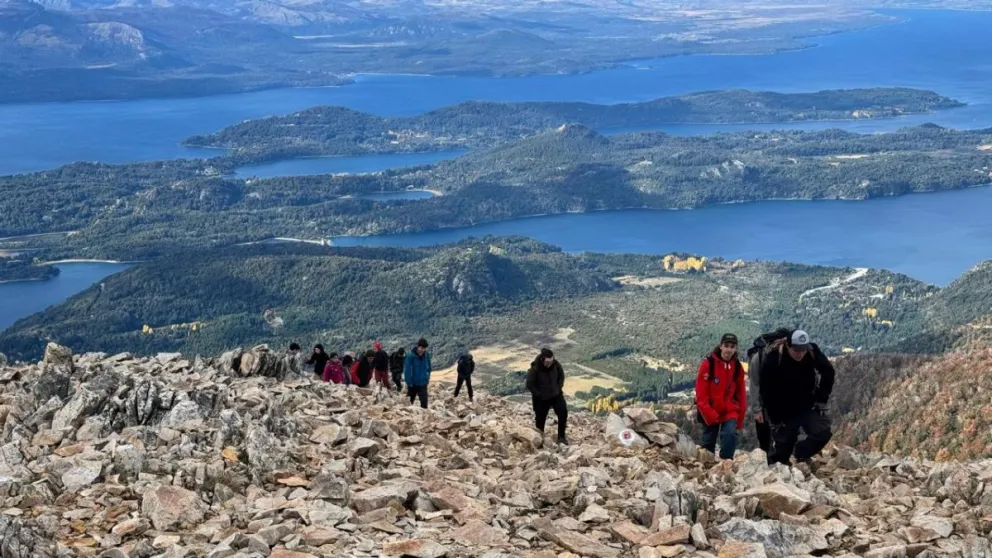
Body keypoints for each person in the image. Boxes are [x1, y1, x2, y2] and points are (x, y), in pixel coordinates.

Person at [759, 329, 835, 467]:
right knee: (781, 456)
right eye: (796, 350)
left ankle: (799, 455)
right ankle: (784, 462)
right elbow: (766, 390)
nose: (800, 354)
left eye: (803, 350)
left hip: (807, 405)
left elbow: (828, 371)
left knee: (822, 433)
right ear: (788, 345)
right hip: (784, 412)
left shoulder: (812, 351)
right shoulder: (774, 358)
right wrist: (774, 418)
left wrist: (821, 398)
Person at [694, 333, 746, 460]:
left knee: (730, 435)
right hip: (710, 410)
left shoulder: (737, 367)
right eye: (726, 345)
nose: (729, 349)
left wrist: (740, 418)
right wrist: (710, 415)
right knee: (708, 445)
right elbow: (701, 396)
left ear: (735, 349)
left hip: (729, 409)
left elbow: (741, 393)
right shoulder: (708, 364)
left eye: (732, 346)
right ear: (721, 346)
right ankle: (706, 469)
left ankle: (726, 464)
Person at [747, 328, 791, 453]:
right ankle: (767, 463)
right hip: (763, 405)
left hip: (781, 405)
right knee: (765, 440)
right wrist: (757, 410)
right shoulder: (759, 358)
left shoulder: (790, 357)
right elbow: (754, 384)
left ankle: (782, 461)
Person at [526, 348, 568, 445]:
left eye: (551, 361)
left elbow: (561, 376)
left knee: (563, 413)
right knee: (540, 420)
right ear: (542, 359)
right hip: (542, 399)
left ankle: (561, 437)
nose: (550, 363)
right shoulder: (535, 369)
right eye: (548, 362)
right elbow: (529, 384)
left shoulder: (556, 365)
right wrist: (538, 394)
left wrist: (558, 388)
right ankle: (539, 440)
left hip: (556, 395)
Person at [404, 338, 432, 408]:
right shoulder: (410, 356)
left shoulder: (426, 355)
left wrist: (428, 377)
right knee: (409, 403)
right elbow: (407, 370)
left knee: (424, 404)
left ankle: (425, 417)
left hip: (423, 383)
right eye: (421, 348)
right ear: (418, 346)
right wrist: (408, 382)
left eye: (424, 348)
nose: (423, 350)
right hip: (413, 384)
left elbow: (429, 367)